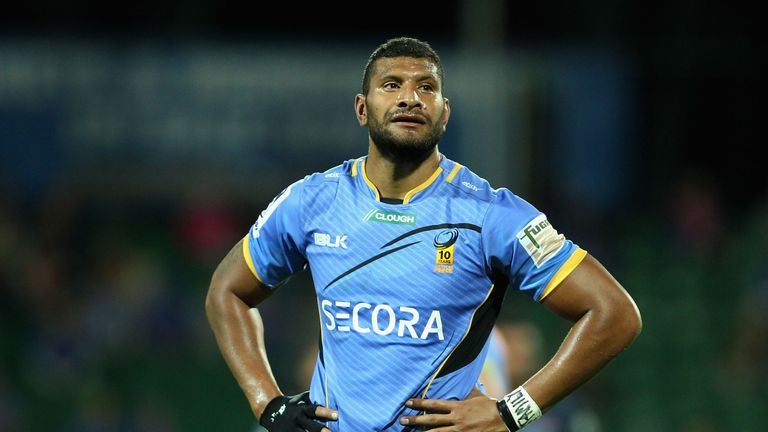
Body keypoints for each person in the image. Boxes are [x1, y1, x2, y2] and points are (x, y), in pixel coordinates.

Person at [205, 36, 642, 432]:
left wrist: (511, 412)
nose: (410, 98)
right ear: (362, 108)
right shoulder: (311, 201)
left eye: (426, 87)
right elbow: (227, 292)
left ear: (444, 113)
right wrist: (267, 403)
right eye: (391, 85)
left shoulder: (491, 215)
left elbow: (614, 313)